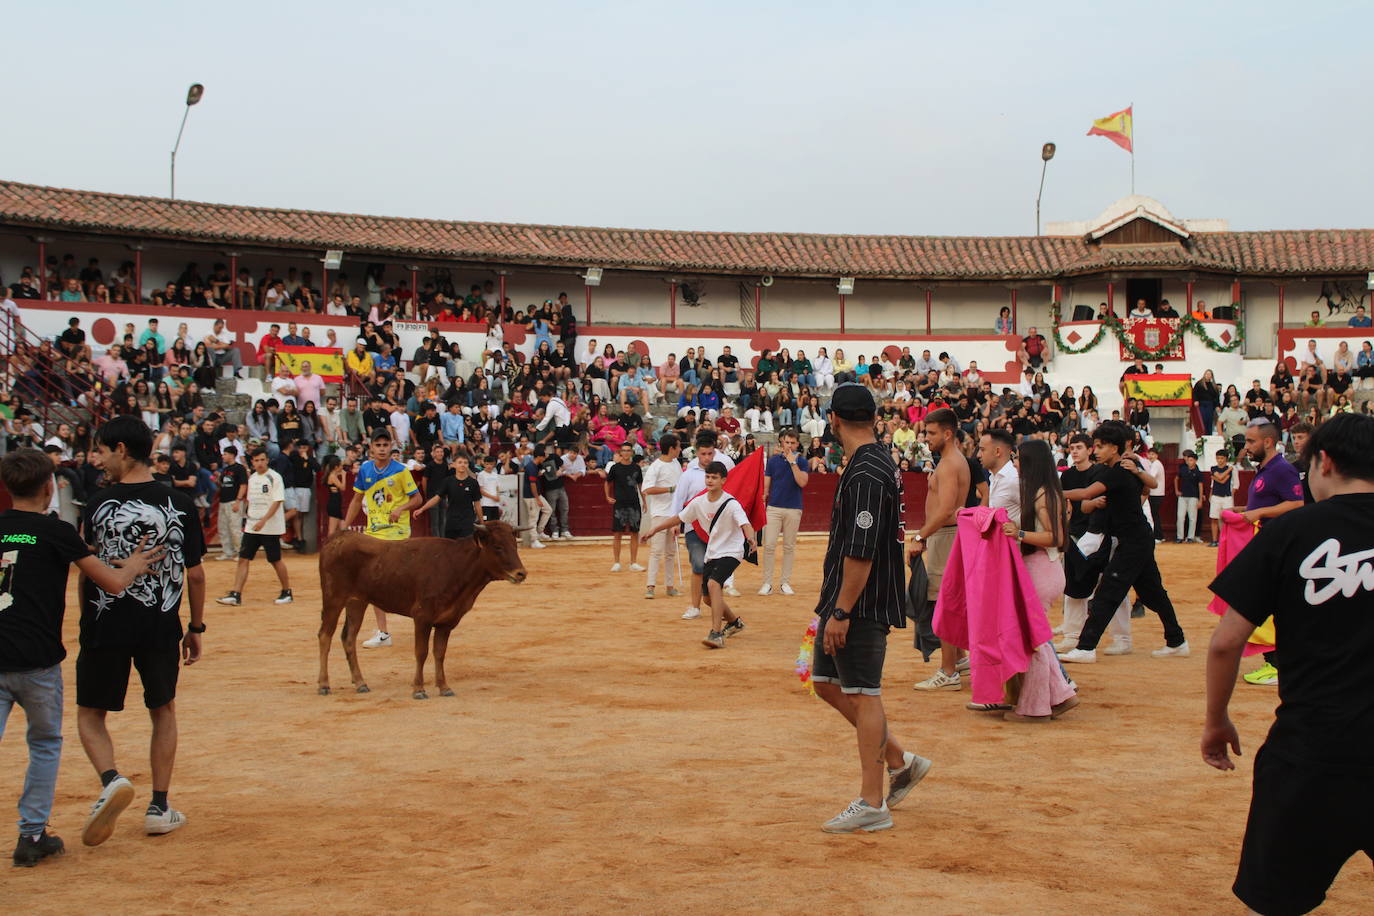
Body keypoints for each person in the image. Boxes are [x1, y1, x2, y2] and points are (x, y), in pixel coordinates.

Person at [1202, 412, 1374, 916]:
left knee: (1279, 900)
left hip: (1313, 751)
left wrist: (1216, 720)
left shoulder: (1292, 532)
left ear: (1325, 462)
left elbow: (1225, 643)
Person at [0, 449, 163, 867]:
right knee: (44, 744)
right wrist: (133, 564)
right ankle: (31, 835)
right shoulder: (55, 532)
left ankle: (34, 834)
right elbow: (112, 583)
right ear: (48, 488)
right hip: (37, 661)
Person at [77, 416, 207, 845]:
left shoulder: (97, 503)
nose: (98, 459)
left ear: (121, 449)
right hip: (159, 622)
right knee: (162, 709)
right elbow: (196, 574)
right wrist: (196, 626)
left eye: (101, 451)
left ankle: (111, 780)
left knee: (91, 713)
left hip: (105, 621)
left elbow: (87, 566)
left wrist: (86, 620)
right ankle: (158, 806)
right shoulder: (180, 504)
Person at [806, 383, 929, 832]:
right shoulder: (874, 462)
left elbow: (861, 551)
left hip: (860, 601)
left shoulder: (865, 471)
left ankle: (872, 802)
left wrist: (841, 612)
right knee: (826, 683)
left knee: (863, 692)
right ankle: (900, 761)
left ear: (834, 420)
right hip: (846, 595)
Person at [1058, 422, 1188, 663]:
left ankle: (1086, 647)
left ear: (1115, 447)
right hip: (1135, 538)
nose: (1096, 451)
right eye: (1096, 446)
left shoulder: (1118, 471)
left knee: (1108, 591)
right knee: (1153, 593)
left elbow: (1086, 494)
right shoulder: (1124, 468)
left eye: (1101, 446)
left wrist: (1052, 492)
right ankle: (1176, 640)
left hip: (1133, 541)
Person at [996, 440, 1078, 721]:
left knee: (1035, 640)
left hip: (1042, 570)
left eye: (1019, 459)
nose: (1015, 463)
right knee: (1036, 638)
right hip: (1043, 568)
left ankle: (1036, 707)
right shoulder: (1044, 492)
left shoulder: (1043, 494)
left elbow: (1056, 537)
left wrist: (1018, 534)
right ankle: (1061, 694)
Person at [642, 461, 756, 649]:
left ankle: (716, 634)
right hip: (713, 551)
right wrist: (655, 529)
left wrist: (750, 538)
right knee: (708, 599)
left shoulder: (731, 503)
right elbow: (678, 518)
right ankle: (734, 622)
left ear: (723, 480)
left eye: (714, 477)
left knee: (713, 584)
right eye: (707, 477)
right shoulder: (698, 502)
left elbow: (745, 524)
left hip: (732, 551)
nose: (710, 480)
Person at [1234, 420, 1305, 689]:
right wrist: (1246, 510)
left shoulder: (1281, 469)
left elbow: (1297, 503)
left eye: (1251, 441)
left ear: (1268, 442)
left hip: (1279, 545)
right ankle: (1275, 662)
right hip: (1268, 542)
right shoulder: (1266, 469)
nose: (1247, 447)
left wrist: (1260, 512)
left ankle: (1276, 664)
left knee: (1269, 604)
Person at [910, 408, 971, 691]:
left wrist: (920, 535)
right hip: (946, 536)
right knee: (949, 600)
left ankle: (948, 672)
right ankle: (958, 659)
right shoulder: (952, 461)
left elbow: (946, 510)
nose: (927, 438)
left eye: (932, 433)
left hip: (945, 536)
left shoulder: (948, 464)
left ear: (948, 434)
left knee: (944, 603)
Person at [343, 431, 421, 648]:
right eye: (378, 445)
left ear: (391, 446)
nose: (382, 449)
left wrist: (401, 508)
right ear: (371, 448)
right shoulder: (366, 469)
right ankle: (384, 632)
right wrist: (345, 525)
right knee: (374, 583)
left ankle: (422, 618)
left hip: (397, 532)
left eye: (386, 445)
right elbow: (356, 500)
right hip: (374, 533)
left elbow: (417, 498)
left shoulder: (401, 471)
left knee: (404, 581)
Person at [671, 430, 736, 620]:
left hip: (718, 530)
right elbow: (679, 498)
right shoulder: (689, 474)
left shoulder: (722, 471)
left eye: (710, 453)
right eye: (703, 454)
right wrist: (675, 522)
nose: (707, 457)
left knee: (716, 571)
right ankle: (695, 606)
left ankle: (718, 608)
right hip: (694, 528)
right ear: (697, 453)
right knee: (698, 566)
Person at [215, 448, 293, 607]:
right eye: (256, 460)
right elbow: (251, 501)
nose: (260, 463)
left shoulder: (274, 477)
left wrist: (263, 521)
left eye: (262, 460)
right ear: (252, 462)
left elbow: (277, 501)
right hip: (252, 525)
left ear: (267, 460)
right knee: (243, 558)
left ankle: (287, 592)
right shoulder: (252, 479)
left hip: (270, 527)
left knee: (275, 560)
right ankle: (236, 594)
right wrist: (249, 520)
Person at [758, 430, 809, 596]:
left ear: (797, 444)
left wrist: (793, 463)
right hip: (774, 507)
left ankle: (785, 582)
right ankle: (767, 583)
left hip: (794, 508)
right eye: (787, 442)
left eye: (793, 443)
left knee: (789, 547)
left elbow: (802, 482)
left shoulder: (802, 462)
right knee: (769, 545)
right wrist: (764, 496)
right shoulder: (773, 461)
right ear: (782, 442)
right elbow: (766, 484)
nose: (789, 446)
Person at [641, 434, 684, 600]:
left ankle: (670, 586)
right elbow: (647, 489)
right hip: (660, 513)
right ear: (671, 448)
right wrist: (670, 489)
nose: (680, 449)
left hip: (673, 514)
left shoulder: (676, 464)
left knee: (671, 552)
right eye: (678, 446)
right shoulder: (656, 466)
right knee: (656, 551)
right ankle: (650, 586)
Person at [414, 454, 483, 539]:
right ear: (454, 464)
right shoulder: (448, 481)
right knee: (450, 546)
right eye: (460, 462)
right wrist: (421, 509)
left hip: (467, 522)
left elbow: (477, 504)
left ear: (468, 465)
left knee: (467, 546)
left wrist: (482, 523)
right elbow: (436, 498)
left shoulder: (473, 483)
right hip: (451, 521)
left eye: (465, 463)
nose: (462, 465)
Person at [605, 443, 646, 572]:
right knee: (617, 533)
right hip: (620, 504)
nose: (626, 453)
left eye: (628, 451)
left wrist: (644, 501)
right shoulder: (615, 468)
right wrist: (607, 496)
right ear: (620, 453)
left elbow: (640, 485)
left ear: (632, 452)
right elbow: (607, 482)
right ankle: (617, 562)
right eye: (624, 451)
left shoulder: (636, 468)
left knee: (635, 532)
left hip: (634, 503)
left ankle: (633, 562)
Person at [214, 445, 249, 561]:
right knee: (223, 528)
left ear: (232, 455)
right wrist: (217, 480)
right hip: (223, 501)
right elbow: (223, 484)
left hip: (234, 501)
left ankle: (241, 552)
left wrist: (238, 501)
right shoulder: (225, 470)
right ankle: (227, 552)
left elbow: (243, 485)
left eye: (225, 454)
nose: (223, 456)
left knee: (235, 528)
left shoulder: (239, 468)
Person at [1174, 450, 1206, 543]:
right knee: (1180, 517)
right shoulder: (1183, 469)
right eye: (1188, 460)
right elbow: (1176, 479)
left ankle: (1190, 537)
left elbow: (1200, 486)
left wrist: (1200, 499)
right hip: (1183, 496)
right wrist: (1177, 490)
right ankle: (1180, 537)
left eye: (1191, 460)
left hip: (1193, 496)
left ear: (1195, 461)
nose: (1189, 462)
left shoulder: (1198, 472)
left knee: (1192, 517)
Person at [1207, 448, 1234, 547]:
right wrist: (1229, 470)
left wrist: (1216, 478)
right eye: (1218, 458)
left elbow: (1221, 480)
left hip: (1226, 497)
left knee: (1227, 519)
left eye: (1222, 458)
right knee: (1214, 518)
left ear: (1226, 459)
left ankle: (1225, 540)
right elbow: (1221, 478)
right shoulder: (1214, 468)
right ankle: (1215, 540)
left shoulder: (1216, 470)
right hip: (1216, 496)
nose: (1220, 460)